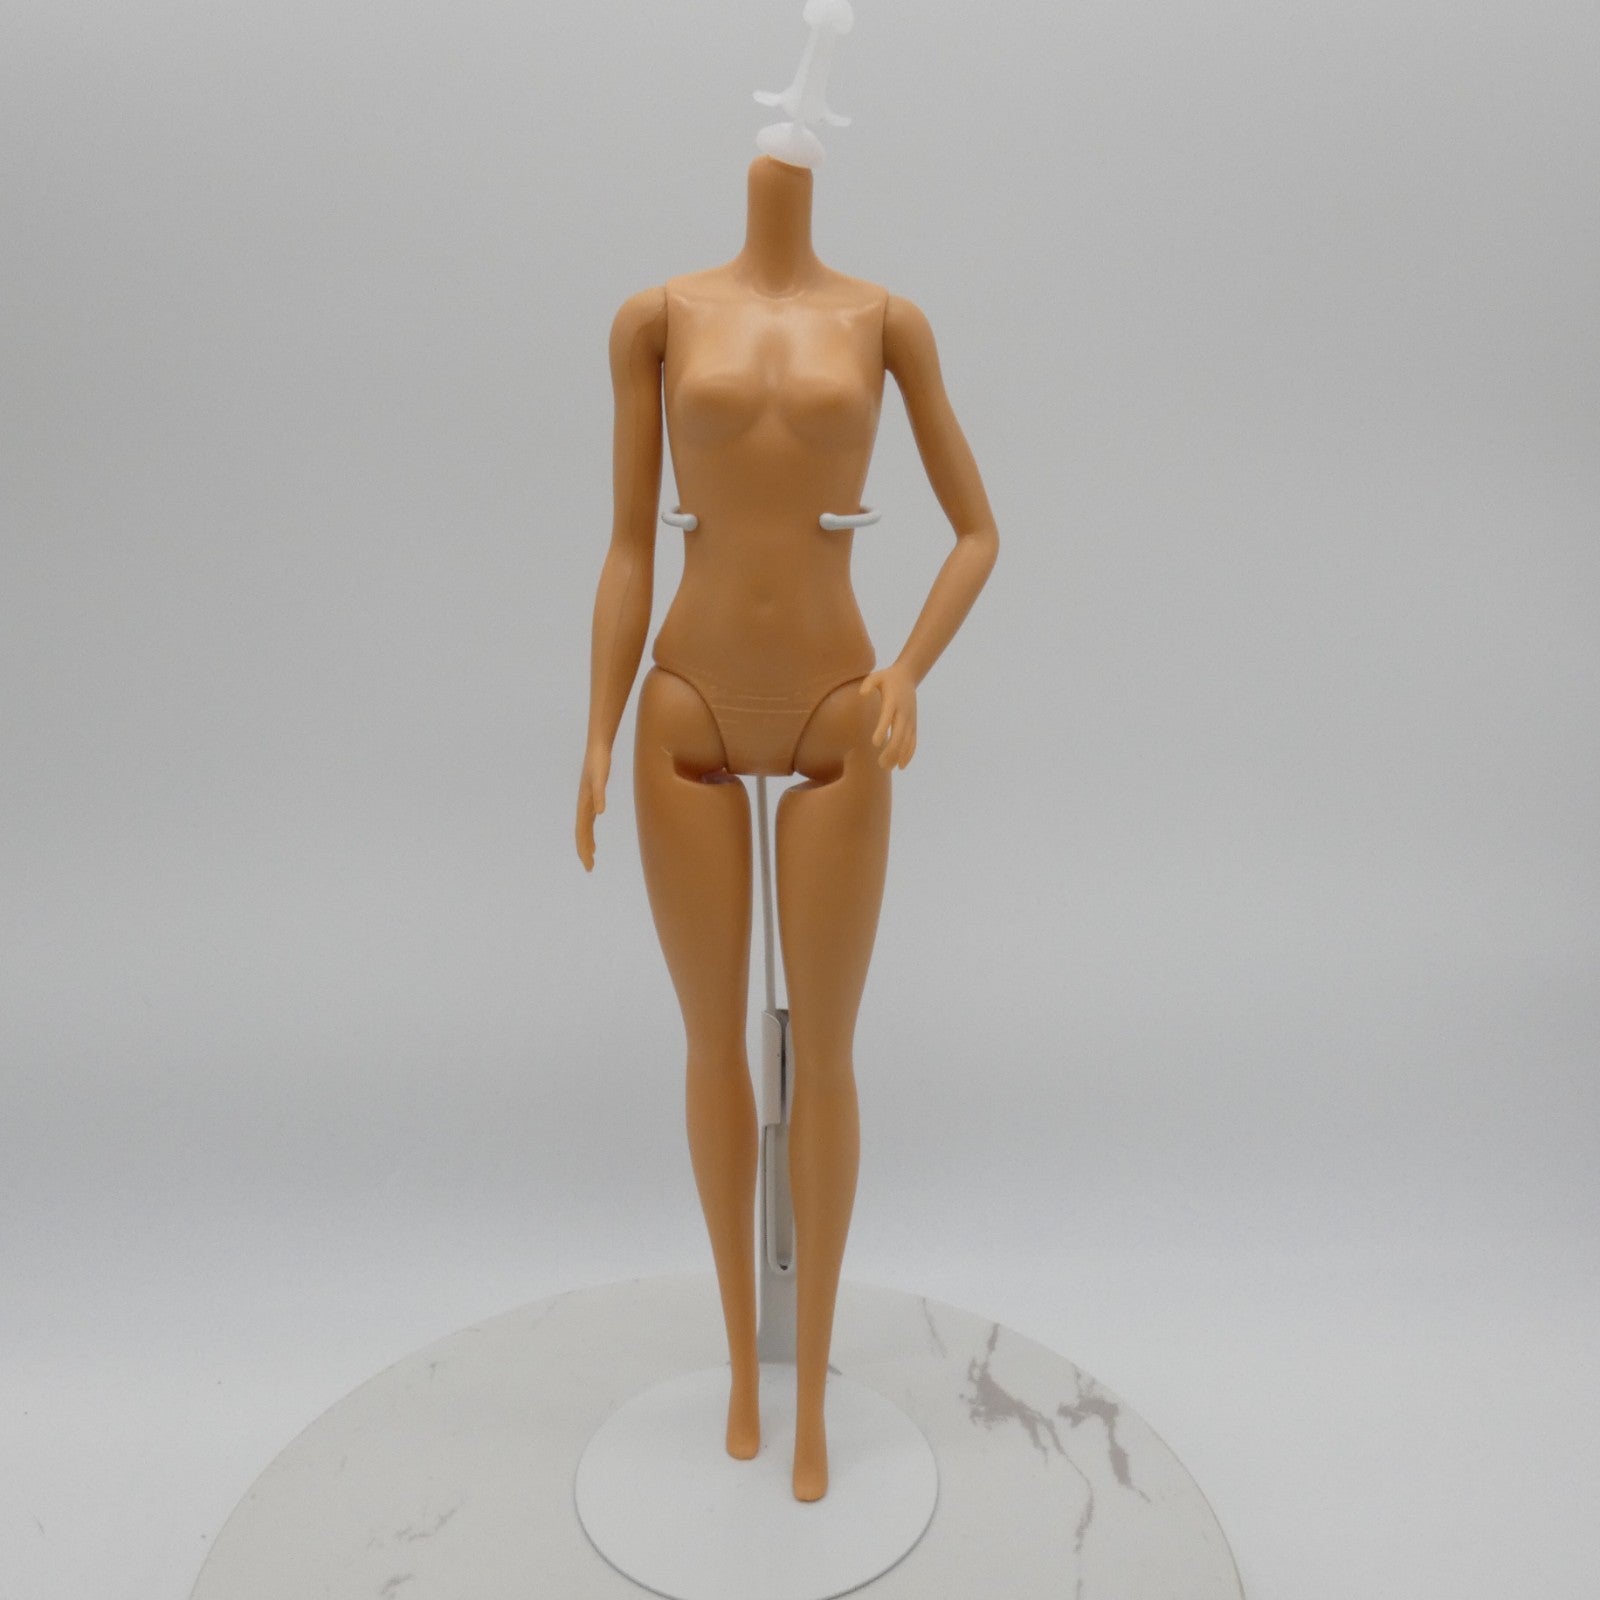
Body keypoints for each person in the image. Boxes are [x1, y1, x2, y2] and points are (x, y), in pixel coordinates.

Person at [576, 152, 998, 1501]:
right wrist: (597, 729)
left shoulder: (886, 321)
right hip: (685, 697)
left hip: (837, 702)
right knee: (714, 1047)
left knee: (824, 1055)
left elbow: (978, 532)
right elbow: (630, 541)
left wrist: (908, 671)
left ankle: (810, 1394)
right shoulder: (655, 318)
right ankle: (742, 1375)